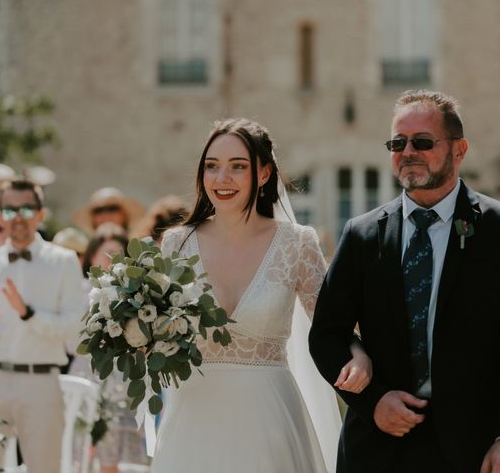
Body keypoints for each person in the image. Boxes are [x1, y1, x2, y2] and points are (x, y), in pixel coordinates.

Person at [309, 90, 500, 473]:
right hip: (376, 445)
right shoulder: (362, 234)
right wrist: (373, 401)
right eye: (397, 142)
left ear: (459, 149)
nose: (408, 151)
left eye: (422, 142)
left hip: (471, 447)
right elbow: (326, 334)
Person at [151, 118, 371, 473]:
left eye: (237, 167)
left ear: (264, 173)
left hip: (268, 418)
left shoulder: (297, 243)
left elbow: (334, 323)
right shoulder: (176, 243)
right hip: (192, 418)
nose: (222, 179)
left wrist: (359, 354)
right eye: (212, 166)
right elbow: (156, 329)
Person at [0, 179, 84, 473]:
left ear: (41, 214)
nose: (18, 217)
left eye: (26, 209)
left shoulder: (64, 262)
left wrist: (29, 314)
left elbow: (74, 328)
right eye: (10, 209)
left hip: (42, 382)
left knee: (44, 469)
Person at [70, 223, 149, 473]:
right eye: (105, 254)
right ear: (92, 256)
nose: (110, 261)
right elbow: (70, 342)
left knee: (114, 456)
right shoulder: (79, 291)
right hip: (85, 376)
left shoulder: (134, 296)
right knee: (80, 453)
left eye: (117, 254)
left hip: (121, 382)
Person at [73, 186, 145, 234]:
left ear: (124, 214)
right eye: (98, 210)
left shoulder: (139, 246)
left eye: (112, 208)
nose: (105, 215)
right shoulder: (83, 250)